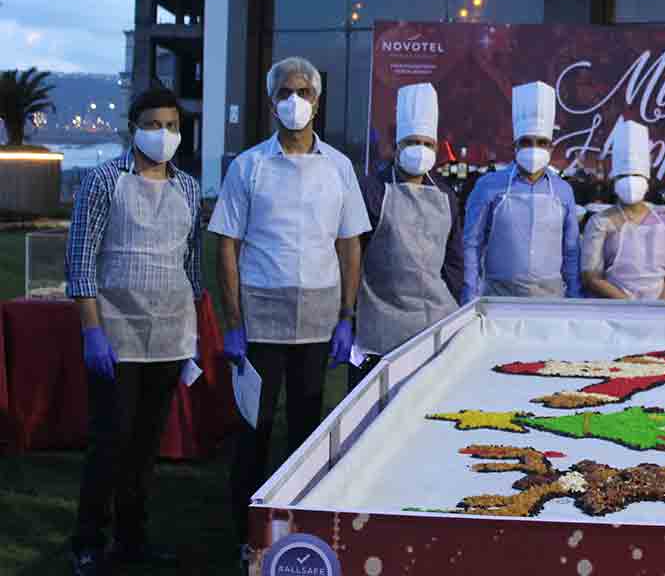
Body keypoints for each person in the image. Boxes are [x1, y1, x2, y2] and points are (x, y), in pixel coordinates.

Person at [208, 56, 371, 561]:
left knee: (306, 428)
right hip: (260, 317)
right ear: (271, 101)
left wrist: (346, 316)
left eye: (303, 92)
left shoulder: (339, 167)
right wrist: (233, 323)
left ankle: (301, 524)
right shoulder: (249, 166)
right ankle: (247, 534)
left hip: (319, 320)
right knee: (253, 430)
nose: (294, 101)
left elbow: (349, 243)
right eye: (285, 92)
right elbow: (227, 245)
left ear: (317, 102)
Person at [66, 87, 203, 575]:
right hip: (116, 333)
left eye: (171, 126)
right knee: (110, 442)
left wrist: (193, 333)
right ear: (133, 128)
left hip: (168, 335)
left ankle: (131, 539)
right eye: (152, 125)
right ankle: (88, 541)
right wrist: (92, 331)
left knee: (146, 446)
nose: (162, 134)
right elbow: (81, 259)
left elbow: (191, 263)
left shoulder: (188, 188)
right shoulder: (103, 181)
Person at [352, 83, 463, 385]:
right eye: (412, 142)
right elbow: (353, 256)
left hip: (433, 322)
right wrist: (349, 315)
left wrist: (453, 304)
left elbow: (454, 262)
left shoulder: (446, 196)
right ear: (397, 145)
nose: (420, 150)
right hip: (380, 323)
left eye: (427, 144)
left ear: (436, 149)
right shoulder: (371, 190)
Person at [462, 81, 582, 301]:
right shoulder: (488, 186)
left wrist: (575, 297)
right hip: (499, 296)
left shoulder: (563, 191)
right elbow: (471, 243)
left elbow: (571, 250)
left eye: (541, 142)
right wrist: (469, 295)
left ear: (551, 147)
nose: (534, 148)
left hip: (551, 297)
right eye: (527, 142)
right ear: (515, 146)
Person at [581, 119, 665, 301]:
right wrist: (628, 304)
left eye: (636, 175)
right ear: (614, 180)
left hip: (658, 313)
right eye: (624, 176)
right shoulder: (600, 222)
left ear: (647, 180)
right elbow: (591, 278)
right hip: (614, 311)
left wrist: (662, 302)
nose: (630, 181)